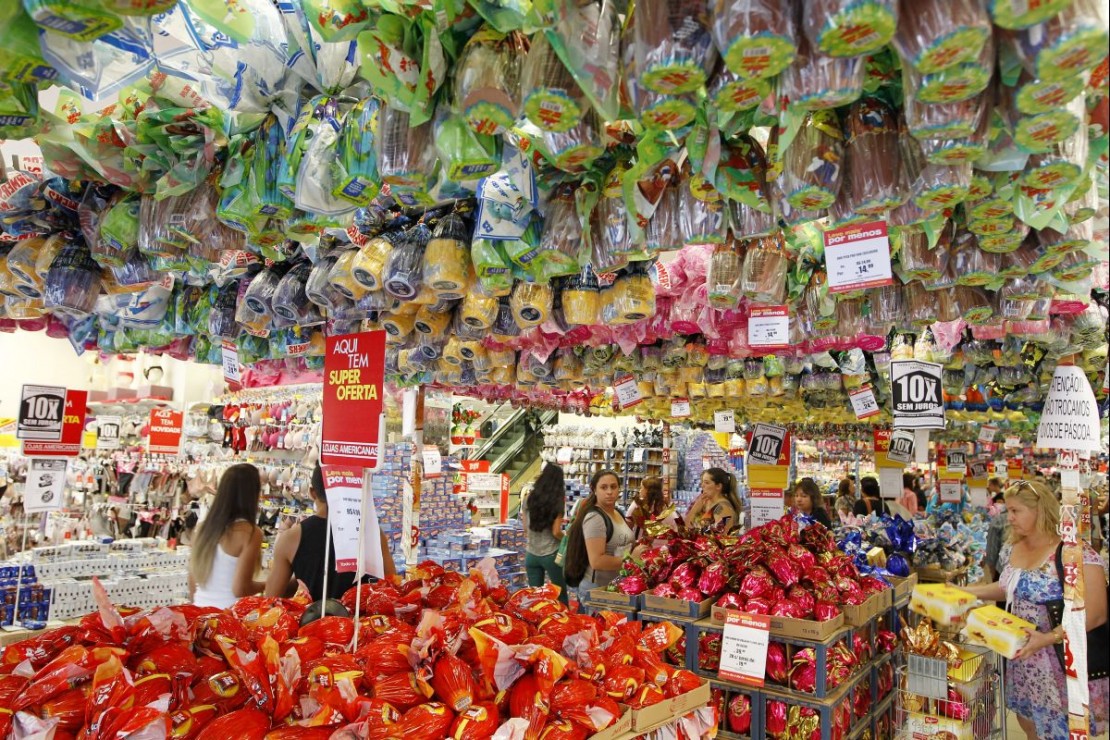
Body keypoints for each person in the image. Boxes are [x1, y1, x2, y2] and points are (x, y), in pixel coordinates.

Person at [962, 481, 1108, 740]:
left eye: (1016, 511)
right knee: (1030, 725)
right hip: (1025, 661)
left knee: (1062, 729)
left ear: (1040, 510)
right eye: (1008, 510)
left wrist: (1049, 637)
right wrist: (969, 592)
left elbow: (1096, 613)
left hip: (1061, 663)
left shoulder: (1075, 553)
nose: (1009, 518)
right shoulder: (1013, 548)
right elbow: (1010, 587)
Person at [265, 464, 397, 603]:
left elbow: (271, 599)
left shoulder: (290, 539)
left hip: (312, 616)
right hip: (361, 616)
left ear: (312, 492)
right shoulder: (372, 533)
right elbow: (392, 586)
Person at [190, 463, 266, 609]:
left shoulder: (202, 529)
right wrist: (266, 585)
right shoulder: (250, 533)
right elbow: (240, 589)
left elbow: (193, 582)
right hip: (229, 614)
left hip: (199, 610)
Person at [563, 470, 635, 608]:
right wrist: (632, 560)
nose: (609, 492)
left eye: (613, 487)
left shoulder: (617, 513)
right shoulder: (595, 518)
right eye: (603, 487)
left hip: (614, 587)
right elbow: (596, 561)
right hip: (597, 591)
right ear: (594, 489)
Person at [521, 464, 567, 604]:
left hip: (531, 554)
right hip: (551, 555)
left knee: (535, 598)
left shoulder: (529, 498)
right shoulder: (557, 502)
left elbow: (525, 528)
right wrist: (566, 539)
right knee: (560, 595)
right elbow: (556, 532)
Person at [686, 468, 743, 532]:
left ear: (718, 486)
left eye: (706, 483)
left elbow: (720, 535)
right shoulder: (704, 503)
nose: (702, 485)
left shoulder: (723, 508)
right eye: (702, 482)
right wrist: (697, 506)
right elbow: (686, 527)